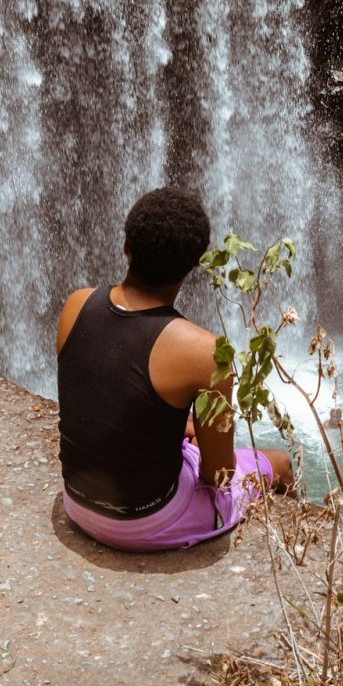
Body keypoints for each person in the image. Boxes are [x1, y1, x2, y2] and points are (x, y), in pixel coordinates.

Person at [56, 187, 294, 552]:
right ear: (195, 265)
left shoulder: (76, 305)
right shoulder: (205, 352)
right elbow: (219, 475)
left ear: (127, 248)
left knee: (184, 434)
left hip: (76, 503)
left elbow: (105, 398)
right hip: (147, 523)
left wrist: (181, 429)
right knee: (277, 463)